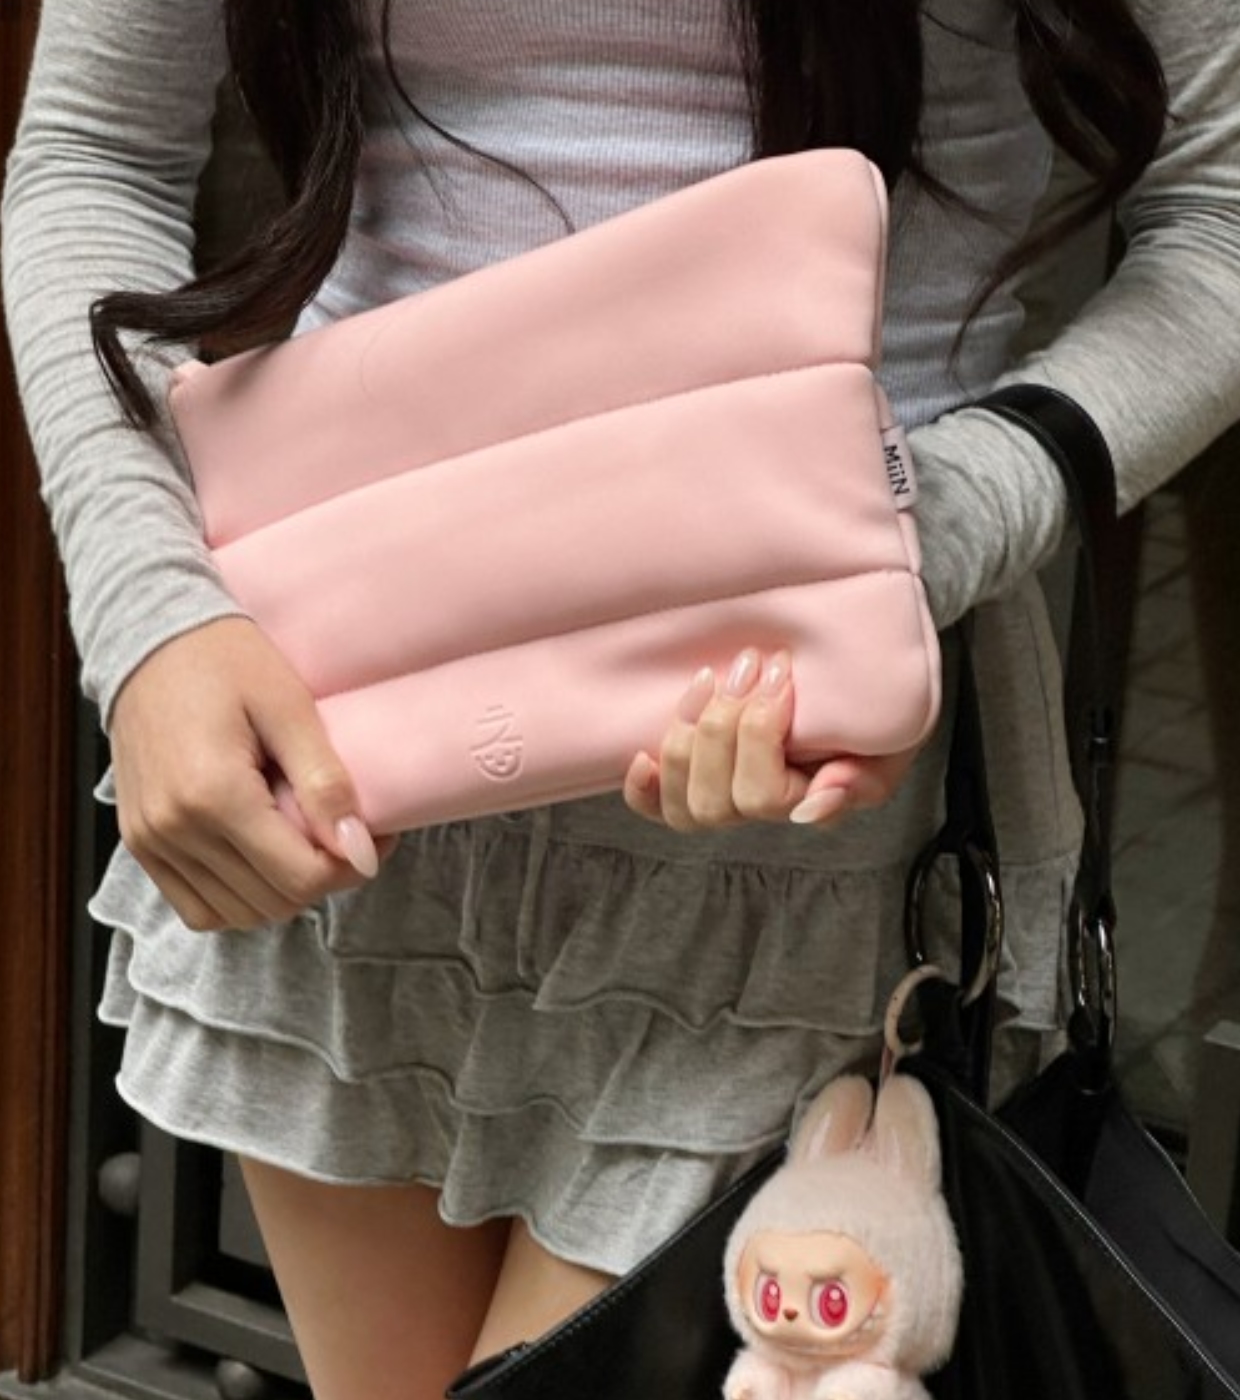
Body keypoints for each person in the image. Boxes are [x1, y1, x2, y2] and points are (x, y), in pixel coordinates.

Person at [4, 2, 1239, 1397]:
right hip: (355, 719)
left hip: (794, 810)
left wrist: (928, 530)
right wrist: (154, 622)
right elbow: (95, 151)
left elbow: (1221, 209)